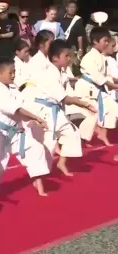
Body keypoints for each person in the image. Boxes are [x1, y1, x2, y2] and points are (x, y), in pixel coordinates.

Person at [27, 39, 95, 176]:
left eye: (70, 55)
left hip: (56, 110)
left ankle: (60, 163)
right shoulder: (50, 73)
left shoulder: (61, 72)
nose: (70, 59)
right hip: (45, 111)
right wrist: (85, 104)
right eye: (66, 56)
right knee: (48, 144)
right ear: (55, 58)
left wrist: (80, 101)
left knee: (72, 133)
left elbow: (66, 96)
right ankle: (38, 174)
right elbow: (64, 98)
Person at [0, 58, 49, 196]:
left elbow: (22, 107)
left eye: (14, 72)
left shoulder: (13, 89)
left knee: (35, 149)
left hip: (14, 132)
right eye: (10, 73)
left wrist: (30, 120)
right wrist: (36, 118)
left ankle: (39, 184)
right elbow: (17, 110)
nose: (13, 75)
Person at [74, 27, 118, 146]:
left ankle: (102, 133)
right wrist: (114, 86)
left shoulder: (101, 57)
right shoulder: (89, 57)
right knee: (91, 116)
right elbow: (98, 77)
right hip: (86, 89)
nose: (107, 43)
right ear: (95, 41)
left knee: (114, 109)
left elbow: (107, 76)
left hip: (98, 90)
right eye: (105, 41)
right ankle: (80, 139)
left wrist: (114, 84)